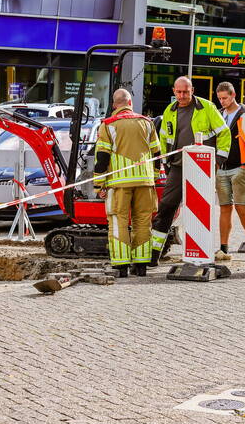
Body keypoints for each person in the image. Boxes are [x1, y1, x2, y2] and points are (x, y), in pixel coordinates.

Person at [150, 76, 231, 266]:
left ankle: (200, 253)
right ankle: (154, 253)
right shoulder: (169, 110)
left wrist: (218, 160)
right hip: (177, 166)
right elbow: (164, 140)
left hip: (201, 167)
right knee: (166, 207)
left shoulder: (206, 107)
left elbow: (224, 132)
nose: (182, 95)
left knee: (200, 210)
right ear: (173, 91)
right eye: (178, 92)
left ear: (192, 90)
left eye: (185, 91)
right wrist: (166, 163)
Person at [93, 88, 161, 278]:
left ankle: (121, 266)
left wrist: (99, 184)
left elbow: (102, 158)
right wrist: (154, 176)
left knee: (118, 221)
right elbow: (157, 153)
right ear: (130, 103)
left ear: (115, 105)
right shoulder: (147, 123)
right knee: (143, 222)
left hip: (119, 183)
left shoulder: (108, 125)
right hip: (145, 182)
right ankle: (141, 266)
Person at [213, 81, 245, 262]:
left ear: (233, 96)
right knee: (225, 208)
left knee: (242, 207)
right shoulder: (218, 115)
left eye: (225, 98)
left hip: (239, 168)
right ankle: (224, 249)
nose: (222, 102)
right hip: (222, 169)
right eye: (219, 98)